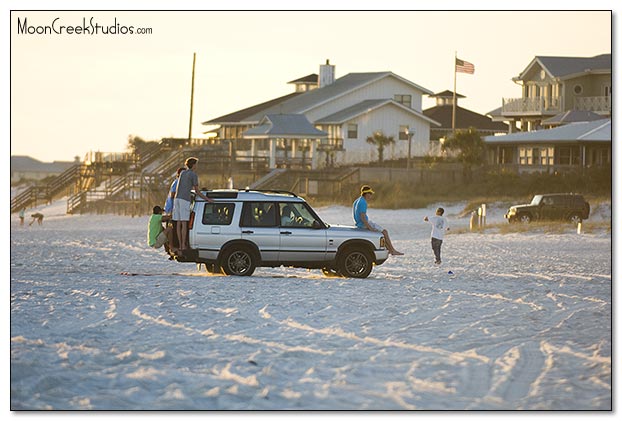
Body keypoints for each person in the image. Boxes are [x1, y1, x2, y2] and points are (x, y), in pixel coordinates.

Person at [173, 157, 213, 253]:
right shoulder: (193, 175)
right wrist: (207, 199)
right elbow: (197, 191)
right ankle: (183, 245)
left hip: (177, 199)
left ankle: (180, 243)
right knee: (184, 223)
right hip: (184, 200)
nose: (197, 166)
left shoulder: (182, 173)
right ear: (193, 165)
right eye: (196, 164)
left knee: (178, 223)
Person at [352, 185, 403, 256]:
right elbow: (362, 216)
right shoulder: (363, 202)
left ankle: (390, 250)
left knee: (381, 235)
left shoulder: (357, 200)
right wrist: (370, 228)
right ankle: (393, 251)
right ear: (366, 194)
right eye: (370, 194)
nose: (371, 196)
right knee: (384, 232)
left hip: (359, 224)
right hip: (363, 224)